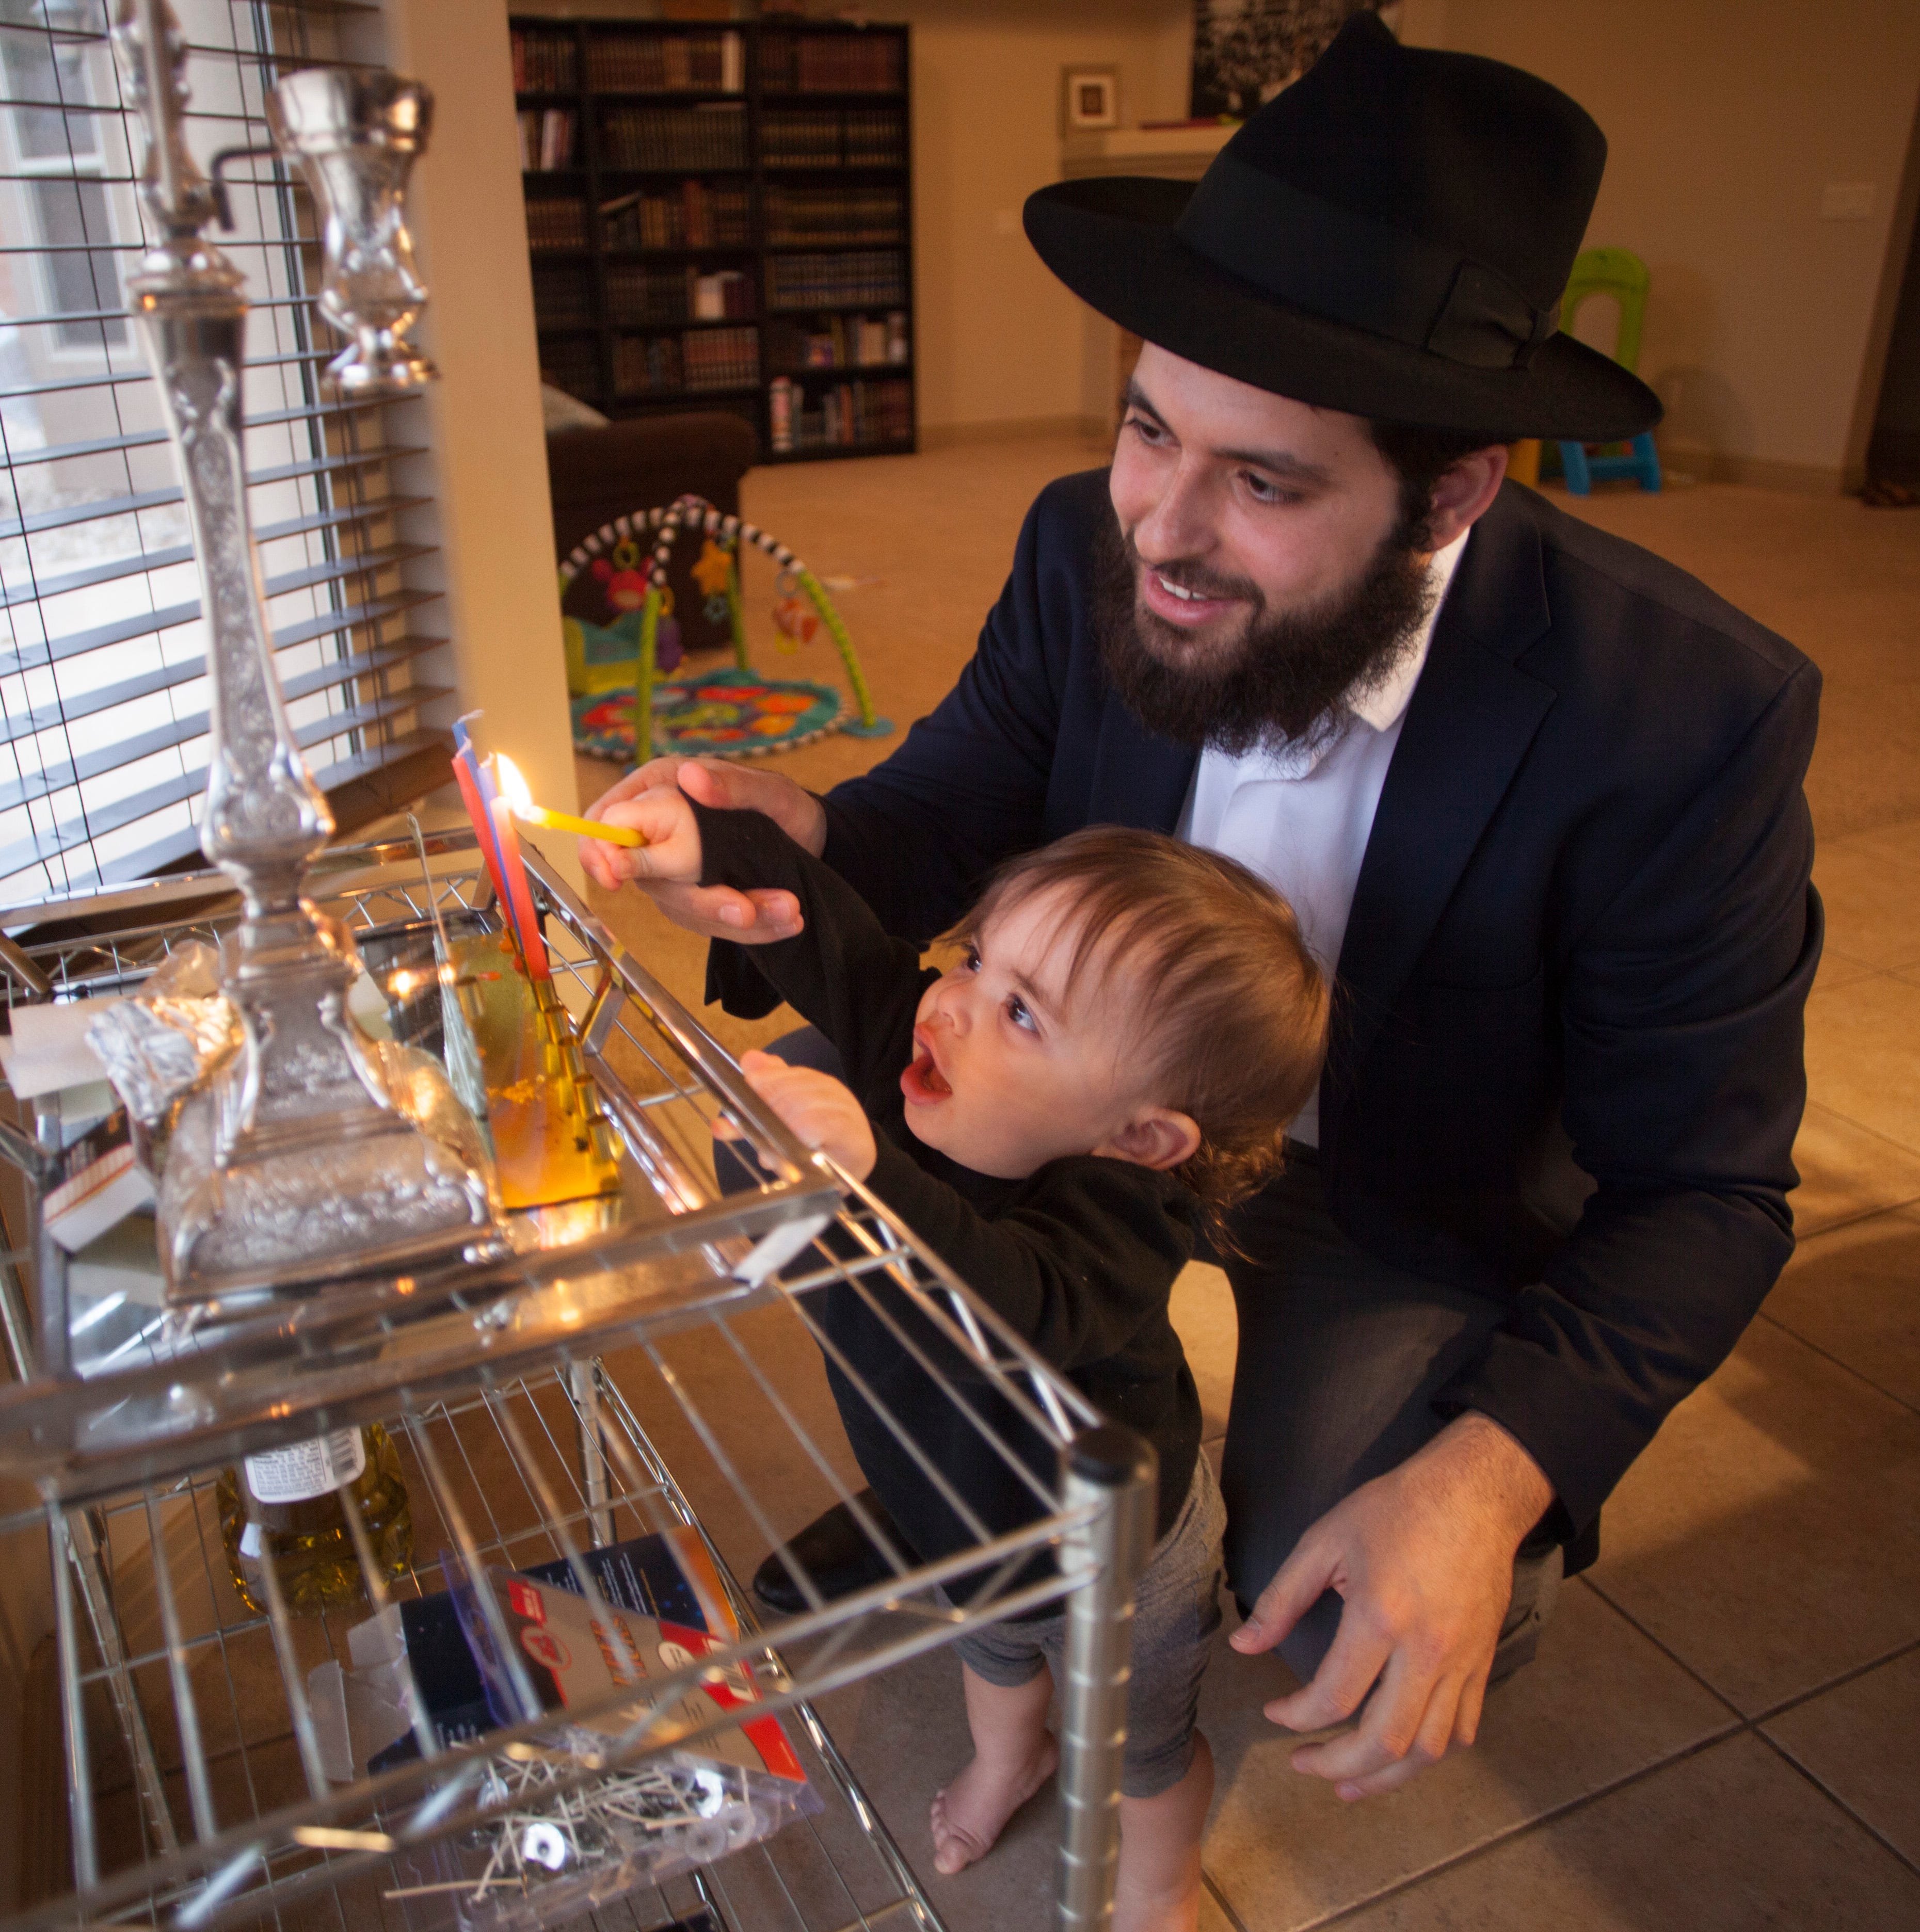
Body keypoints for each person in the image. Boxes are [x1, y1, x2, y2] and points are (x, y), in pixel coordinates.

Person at [584, 15, 1821, 1806]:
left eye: (1263, 480)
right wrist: (794, 828)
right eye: (1148, 426)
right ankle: (984, 1493)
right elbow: (952, 807)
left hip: (1392, 1193)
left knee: (1333, 1596)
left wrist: (1483, 1480)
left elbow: (1706, 1188)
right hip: (1084, 1116)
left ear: (1455, 488)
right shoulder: (1080, 543)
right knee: (871, 1223)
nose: (1159, 526)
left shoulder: (1684, 715)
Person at [597, 776, 1327, 1929]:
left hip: (1117, 1553)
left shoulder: (1121, 1219)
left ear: (1139, 1135)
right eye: (977, 958)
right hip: (952, 1510)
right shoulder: (935, 1044)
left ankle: (1161, 1877)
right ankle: (1009, 1760)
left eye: (1023, 1011)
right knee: (990, 1654)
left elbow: (1014, 1307)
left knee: (1143, 1749)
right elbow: (851, 953)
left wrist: (872, 1175)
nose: (952, 1005)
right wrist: (717, 845)